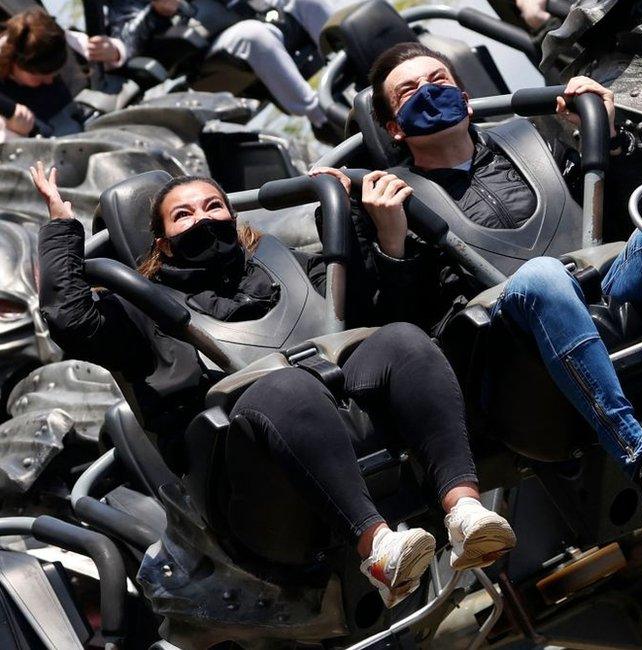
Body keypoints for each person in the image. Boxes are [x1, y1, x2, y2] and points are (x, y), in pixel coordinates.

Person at [324, 42, 642, 526]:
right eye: (409, 92)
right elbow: (399, 336)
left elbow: (613, 217)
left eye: (438, 82)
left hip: (595, 290)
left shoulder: (535, 141)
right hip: (501, 350)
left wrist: (603, 135)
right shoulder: (385, 201)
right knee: (542, 276)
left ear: (466, 97)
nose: (429, 94)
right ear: (393, 127)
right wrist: (391, 242)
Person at [32, 162, 515, 607]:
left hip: (342, 414)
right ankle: (379, 550)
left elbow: (363, 303)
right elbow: (71, 320)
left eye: (213, 206)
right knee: (285, 386)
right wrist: (60, 230)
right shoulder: (140, 309)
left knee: (405, 341)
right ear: (161, 241)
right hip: (247, 479)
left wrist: (350, 213)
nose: (202, 219)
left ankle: (465, 511)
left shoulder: (284, 265)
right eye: (183, 215)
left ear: (233, 216)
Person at [105, 0, 345, 134]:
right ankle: (324, 119)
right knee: (255, 35)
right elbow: (126, 38)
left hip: (252, 13)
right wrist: (155, 12)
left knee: (308, 3)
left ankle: (362, 64)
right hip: (204, 48)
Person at [0, 8, 126, 137]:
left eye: (54, 74)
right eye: (40, 77)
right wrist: (15, 131)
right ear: (13, 63)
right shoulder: (6, 108)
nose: (49, 81)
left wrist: (115, 51)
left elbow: (113, 54)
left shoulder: (61, 40)